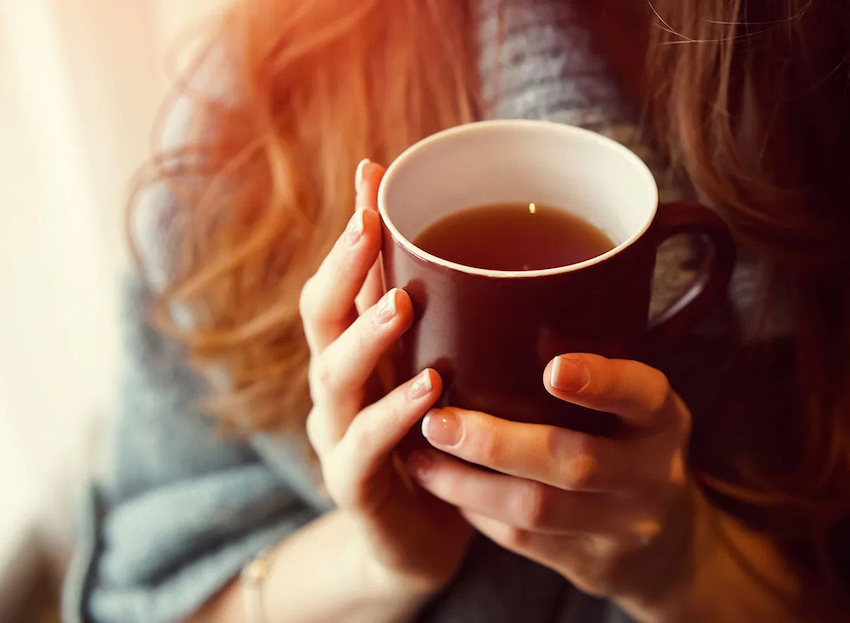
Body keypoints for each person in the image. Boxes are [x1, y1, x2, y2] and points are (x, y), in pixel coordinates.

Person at [62, 1, 850, 621]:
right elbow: (136, 598)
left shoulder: (817, 84)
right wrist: (379, 561)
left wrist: (688, 565)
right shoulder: (259, 103)